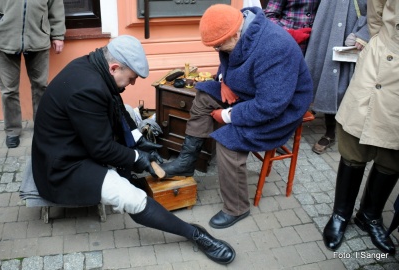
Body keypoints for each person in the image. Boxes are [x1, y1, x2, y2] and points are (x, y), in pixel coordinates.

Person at [31, 35, 236, 265]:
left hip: (71, 144)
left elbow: (117, 107)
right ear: (115, 67)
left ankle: (132, 176)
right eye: (131, 78)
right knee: (131, 198)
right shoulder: (88, 90)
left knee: (127, 110)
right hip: (61, 166)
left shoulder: (93, 66)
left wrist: (138, 140)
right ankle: (195, 233)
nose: (133, 83)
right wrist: (139, 158)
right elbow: (102, 149)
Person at [159, 4, 313, 229]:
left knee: (228, 142)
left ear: (235, 33)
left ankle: (237, 208)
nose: (218, 50)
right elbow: (226, 60)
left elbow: (270, 106)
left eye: (219, 45)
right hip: (252, 93)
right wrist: (224, 81)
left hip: (281, 109)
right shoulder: (237, 30)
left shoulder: (274, 47)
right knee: (202, 96)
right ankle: (187, 161)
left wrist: (228, 115)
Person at [322, 0, 399, 255]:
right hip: (380, 60)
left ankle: (370, 216)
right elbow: (375, 15)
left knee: (393, 154)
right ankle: (341, 214)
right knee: (354, 144)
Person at [0, 0, 65, 148]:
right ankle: (12, 130)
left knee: (41, 86)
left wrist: (57, 34)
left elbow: (55, 4)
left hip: (38, 36)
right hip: (4, 37)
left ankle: (42, 126)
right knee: (9, 90)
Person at [305, 0, 369, 155]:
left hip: (354, 36)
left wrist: (362, 33)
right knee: (328, 82)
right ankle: (329, 130)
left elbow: (379, 13)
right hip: (327, 29)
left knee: (347, 85)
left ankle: (343, 132)